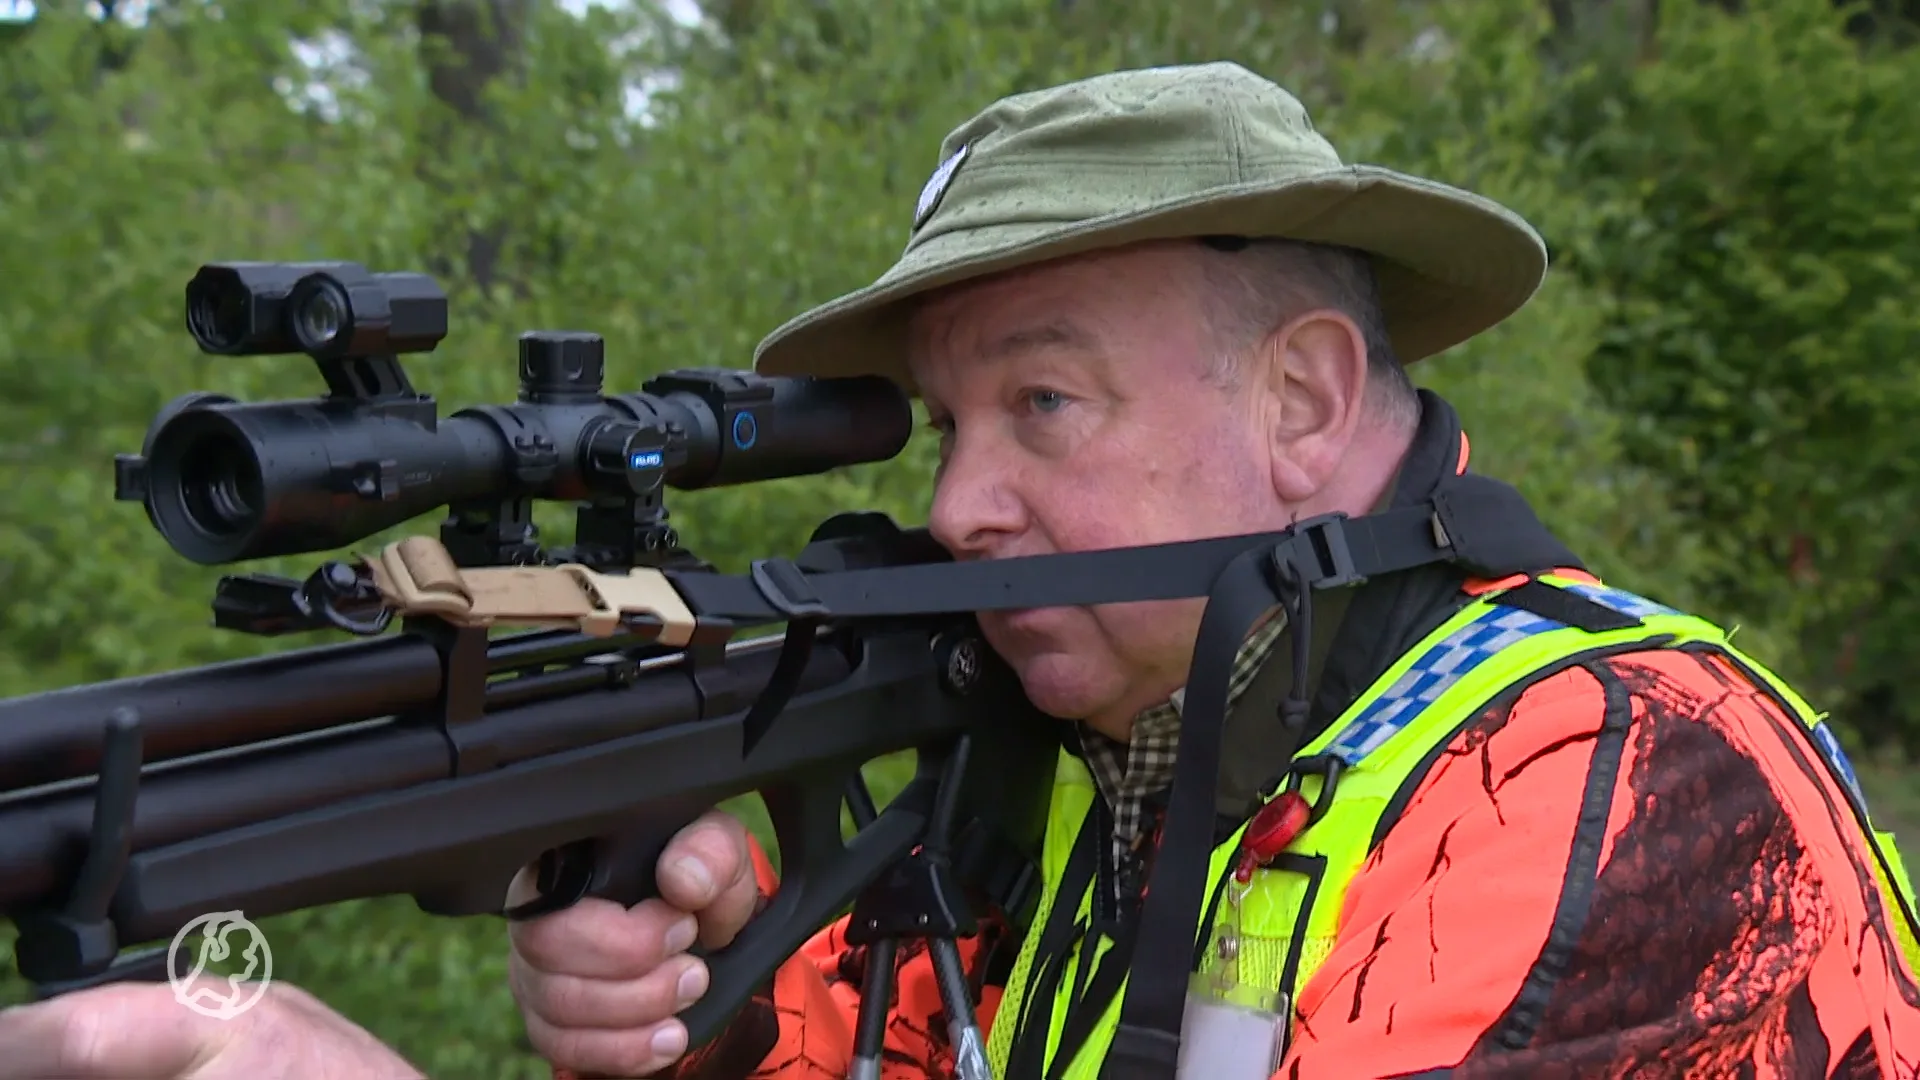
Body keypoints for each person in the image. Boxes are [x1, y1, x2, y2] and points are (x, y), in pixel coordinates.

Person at [3, 60, 1918, 1080]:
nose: (960, 506)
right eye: (941, 425)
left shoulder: (1616, 776)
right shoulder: (1102, 755)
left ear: (1306, 400)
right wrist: (713, 1014)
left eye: (1045, 405)